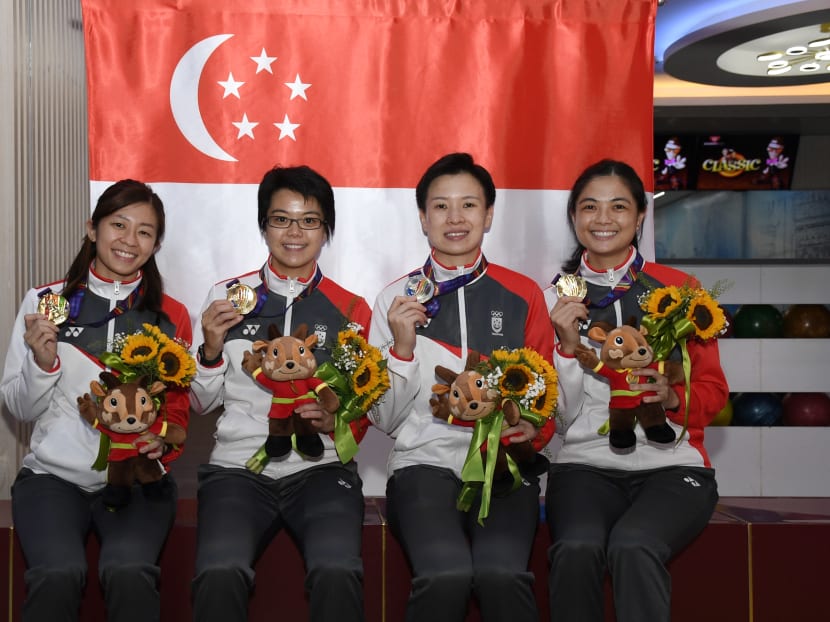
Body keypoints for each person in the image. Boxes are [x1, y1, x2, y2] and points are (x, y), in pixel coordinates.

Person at [368, 152, 556, 622]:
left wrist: (531, 433)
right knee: (445, 574)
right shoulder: (395, 300)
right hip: (423, 465)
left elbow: (545, 399)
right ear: (422, 218)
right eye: (440, 207)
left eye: (469, 205)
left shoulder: (524, 293)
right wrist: (403, 349)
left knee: (503, 576)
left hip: (504, 467)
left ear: (489, 215)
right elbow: (384, 419)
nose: (455, 218)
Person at [544, 159, 728, 622]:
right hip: (585, 466)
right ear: (573, 217)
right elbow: (555, 420)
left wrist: (671, 399)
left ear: (641, 216)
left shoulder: (680, 291)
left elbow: (712, 391)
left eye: (618, 207)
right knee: (576, 548)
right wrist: (567, 348)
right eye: (590, 207)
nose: (603, 219)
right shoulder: (553, 300)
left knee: (634, 545)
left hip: (672, 466)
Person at [1, 180, 192, 621]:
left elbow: (178, 409)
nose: (129, 240)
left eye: (144, 232)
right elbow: (20, 408)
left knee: (128, 571)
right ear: (92, 229)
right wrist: (43, 363)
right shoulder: (45, 302)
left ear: (156, 243)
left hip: (138, 482)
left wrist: (160, 442)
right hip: (53, 479)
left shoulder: (172, 315)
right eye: (118, 225)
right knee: (58, 574)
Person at [190, 164, 372, 622]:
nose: (295, 232)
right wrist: (210, 349)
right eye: (281, 219)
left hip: (322, 468)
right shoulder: (227, 298)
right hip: (237, 469)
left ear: (327, 230)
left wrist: (339, 421)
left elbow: (365, 402)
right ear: (263, 225)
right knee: (219, 569)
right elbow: (200, 401)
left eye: (310, 220)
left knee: (337, 569)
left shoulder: (352, 309)